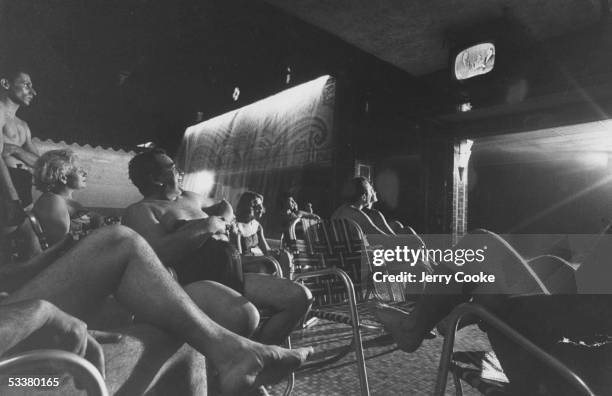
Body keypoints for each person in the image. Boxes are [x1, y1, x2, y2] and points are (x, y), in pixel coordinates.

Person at [0, 224, 312, 396]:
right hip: (14, 383)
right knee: (181, 343)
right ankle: (231, 358)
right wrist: (34, 312)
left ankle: (230, 355)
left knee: (117, 243)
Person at [123, 149, 312, 345]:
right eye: (172, 168)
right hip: (190, 283)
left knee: (299, 297)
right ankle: (241, 361)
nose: (180, 172)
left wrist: (223, 220)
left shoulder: (190, 197)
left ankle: (256, 364)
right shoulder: (142, 210)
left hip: (232, 273)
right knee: (245, 317)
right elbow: (160, 253)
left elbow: (225, 205)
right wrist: (206, 226)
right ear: (156, 179)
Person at [32, 149, 103, 246]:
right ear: (63, 178)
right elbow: (59, 244)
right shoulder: (52, 201)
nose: (85, 173)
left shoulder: (61, 200)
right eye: (80, 170)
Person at [1, 68, 39, 207]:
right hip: (5, 190)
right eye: (26, 85)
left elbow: (40, 164)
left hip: (23, 186)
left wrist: (16, 150)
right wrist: (13, 198)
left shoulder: (23, 125)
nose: (33, 92)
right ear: (6, 84)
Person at [234, 191, 293, 277]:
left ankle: (287, 285)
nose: (261, 209)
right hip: (246, 263)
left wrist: (277, 253)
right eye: (257, 206)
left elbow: (267, 250)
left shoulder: (258, 226)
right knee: (263, 268)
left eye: (261, 206)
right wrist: (262, 258)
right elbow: (239, 258)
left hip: (259, 258)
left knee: (285, 256)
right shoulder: (236, 227)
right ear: (247, 207)